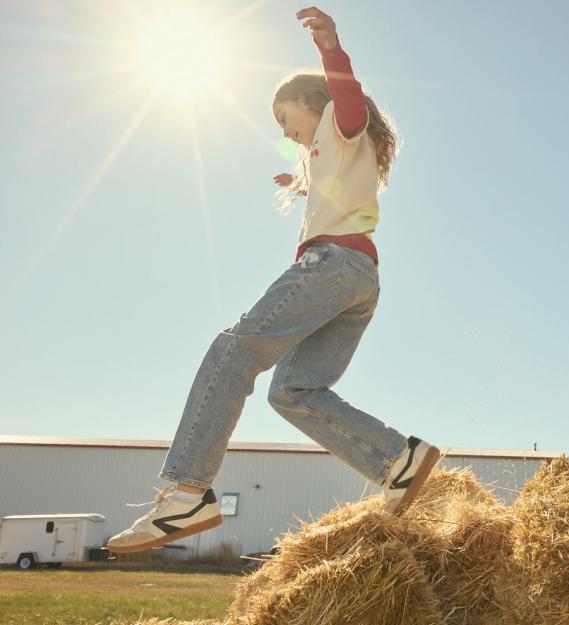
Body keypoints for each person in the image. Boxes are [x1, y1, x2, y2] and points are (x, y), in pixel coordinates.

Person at [107, 7, 440, 554]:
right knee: (293, 391)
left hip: (330, 266)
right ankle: (397, 460)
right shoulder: (331, 152)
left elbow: (346, 98)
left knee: (232, 352)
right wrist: (302, 183)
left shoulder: (340, 119)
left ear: (316, 104)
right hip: (358, 278)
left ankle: (186, 491)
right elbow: (331, 180)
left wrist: (331, 50)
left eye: (286, 119)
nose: (284, 131)